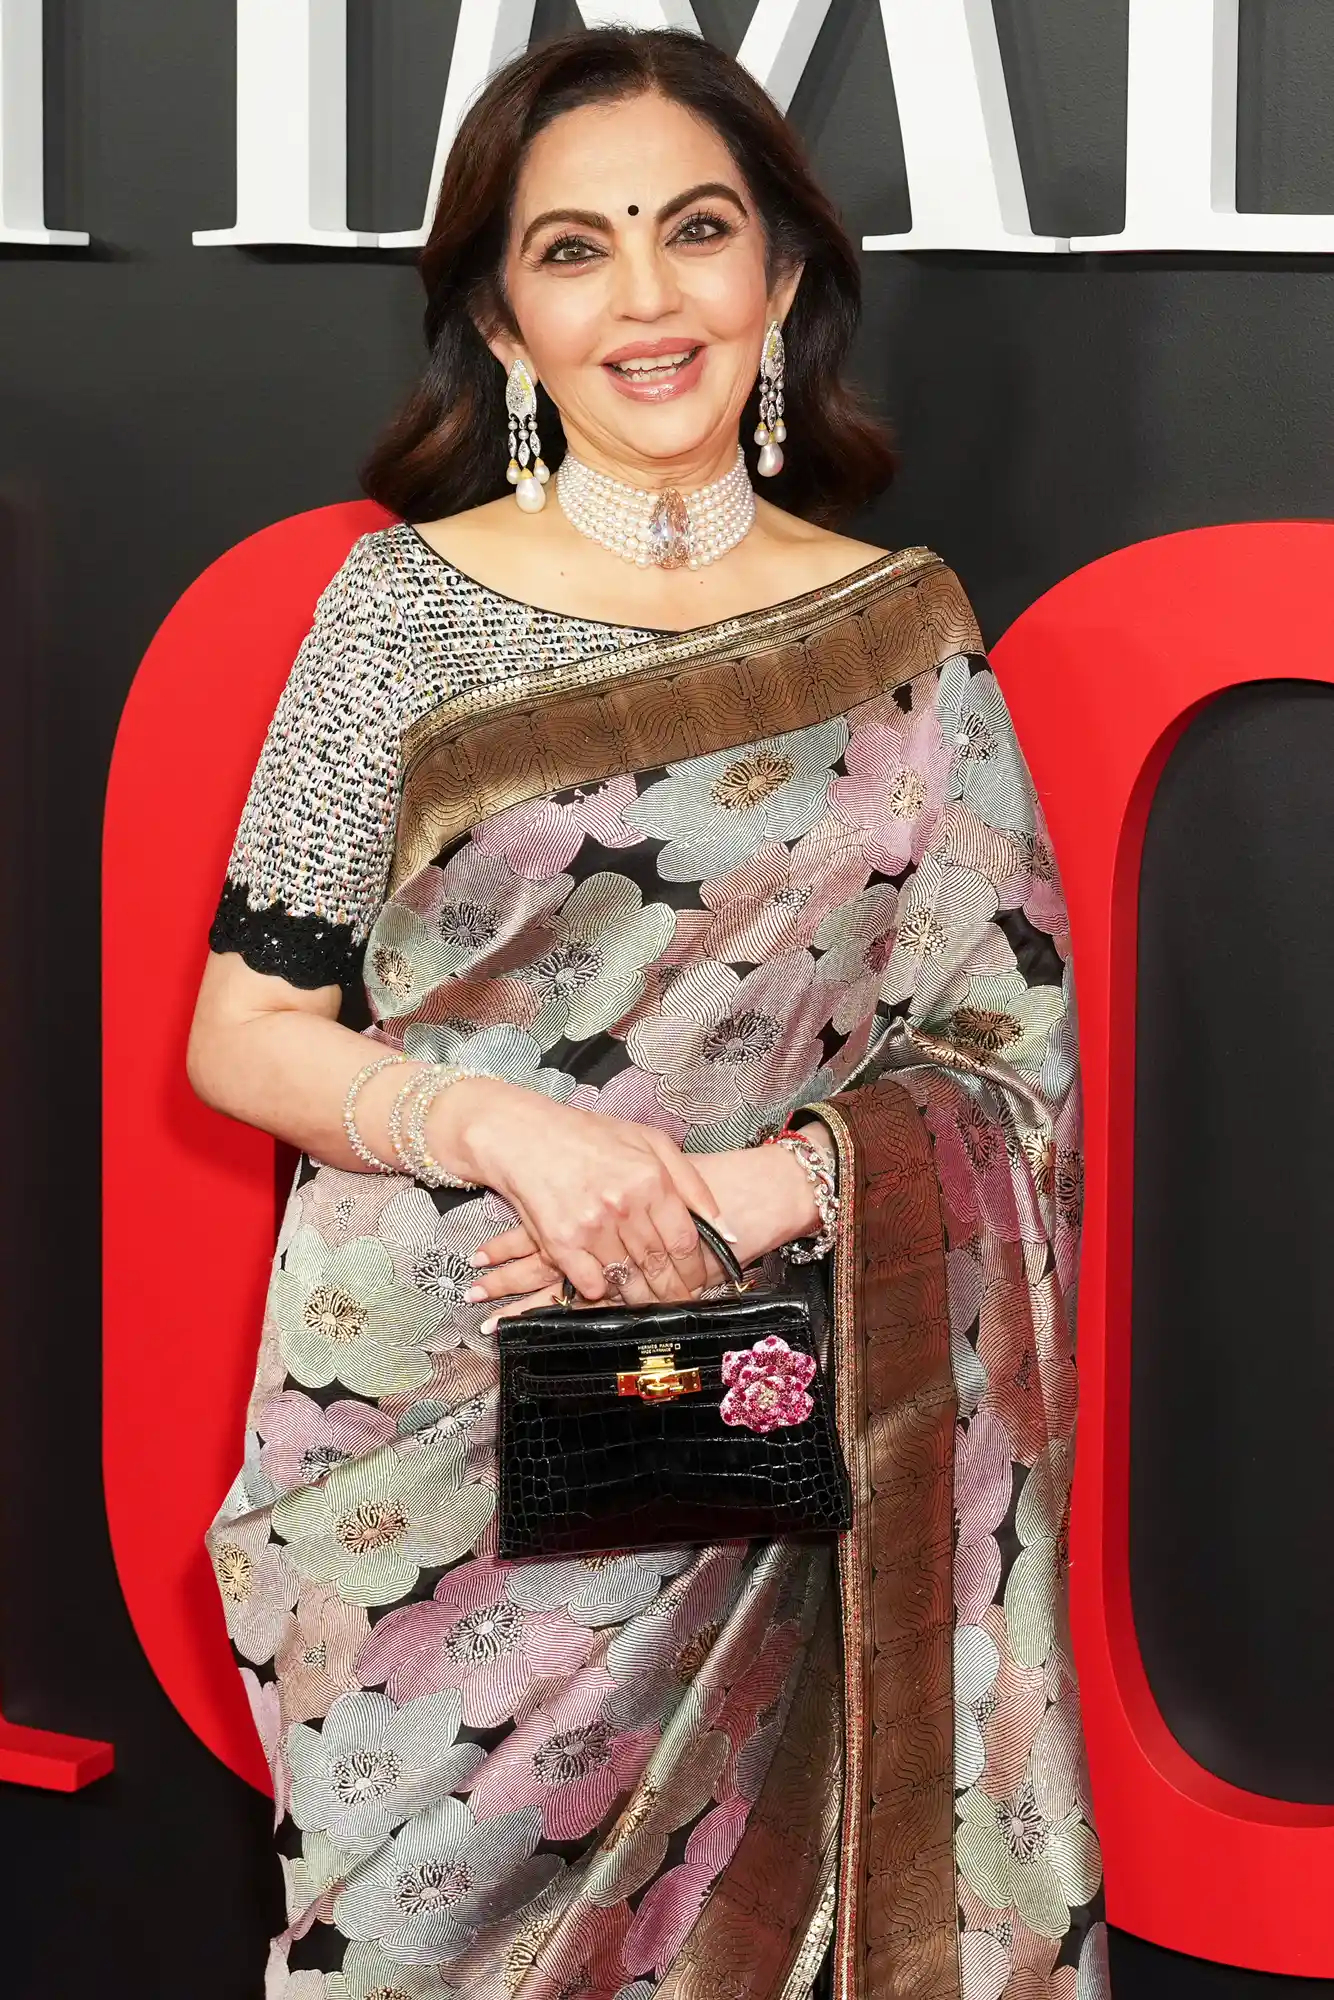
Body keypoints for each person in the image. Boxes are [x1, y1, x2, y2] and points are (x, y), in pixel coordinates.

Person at [188, 27, 1105, 2000]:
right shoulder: (400, 618)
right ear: (500, 323)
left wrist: (769, 1190)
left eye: (692, 230)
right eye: (572, 249)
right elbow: (244, 1029)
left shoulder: (900, 636)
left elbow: (1003, 1052)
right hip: (440, 1406)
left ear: (777, 275)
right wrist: (516, 1131)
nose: (645, 297)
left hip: (762, 1389)